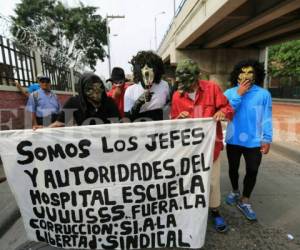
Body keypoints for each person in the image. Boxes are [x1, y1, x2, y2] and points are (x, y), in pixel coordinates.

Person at [170, 59, 234, 233]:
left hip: (210, 148)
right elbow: (172, 122)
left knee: (212, 182)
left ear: (197, 77)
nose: (186, 87)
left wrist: (222, 112)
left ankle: (215, 211)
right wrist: (178, 119)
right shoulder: (177, 96)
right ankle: (190, 212)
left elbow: (228, 108)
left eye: (189, 83)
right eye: (182, 83)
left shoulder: (212, 89)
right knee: (189, 182)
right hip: (187, 150)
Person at [224, 59, 272, 221]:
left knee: (252, 170)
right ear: (236, 75)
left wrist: (267, 138)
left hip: (254, 141)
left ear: (256, 74)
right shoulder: (230, 93)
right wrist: (238, 94)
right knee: (233, 169)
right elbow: (226, 113)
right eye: (242, 72)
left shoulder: (264, 94)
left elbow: (267, 117)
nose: (245, 75)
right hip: (233, 139)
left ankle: (245, 200)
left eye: (250, 72)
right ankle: (235, 190)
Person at [50, 72, 120, 127]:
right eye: (91, 89)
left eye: (99, 87)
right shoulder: (74, 102)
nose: (96, 92)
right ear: (83, 89)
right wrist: (42, 133)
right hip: (84, 142)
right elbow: (60, 123)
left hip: (106, 141)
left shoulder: (109, 102)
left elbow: (118, 125)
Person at [124, 51, 170, 121]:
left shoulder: (164, 86)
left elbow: (168, 109)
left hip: (159, 130)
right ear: (139, 72)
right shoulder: (130, 91)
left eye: (151, 69)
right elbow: (127, 119)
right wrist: (138, 103)